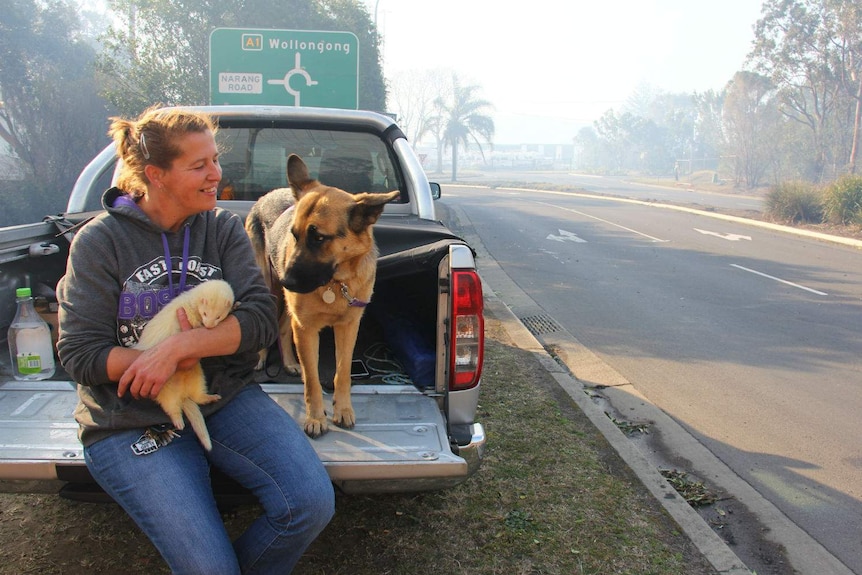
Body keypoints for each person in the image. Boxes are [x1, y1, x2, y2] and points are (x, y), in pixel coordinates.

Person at [56, 106, 334, 575]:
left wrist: (178, 349)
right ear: (156, 175)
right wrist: (152, 365)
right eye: (199, 165)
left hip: (224, 398)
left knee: (309, 504)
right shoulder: (99, 242)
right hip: (129, 418)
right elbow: (80, 355)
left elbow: (261, 317)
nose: (216, 175)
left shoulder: (222, 227)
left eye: (214, 160)